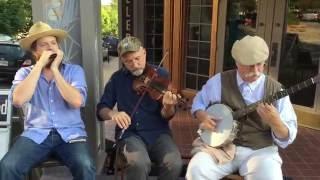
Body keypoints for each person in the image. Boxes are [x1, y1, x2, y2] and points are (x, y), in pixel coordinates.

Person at [186, 35, 297, 180]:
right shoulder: (219, 81)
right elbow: (198, 103)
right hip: (220, 147)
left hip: (260, 151)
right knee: (196, 170)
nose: (257, 71)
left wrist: (275, 122)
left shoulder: (276, 90)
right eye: (251, 65)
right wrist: (203, 116)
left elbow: (288, 136)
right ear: (237, 63)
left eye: (260, 64)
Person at [0, 21, 96, 180]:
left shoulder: (74, 71)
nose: (51, 47)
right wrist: (39, 67)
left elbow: (77, 102)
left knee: (85, 165)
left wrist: (55, 70)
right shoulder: (24, 73)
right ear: (35, 51)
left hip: (70, 134)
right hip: (36, 134)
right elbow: (18, 100)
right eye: (44, 45)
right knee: (8, 166)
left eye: (53, 43)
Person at [97, 36, 183, 180]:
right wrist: (113, 114)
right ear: (122, 61)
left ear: (144, 52)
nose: (135, 64)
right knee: (139, 163)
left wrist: (168, 106)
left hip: (158, 132)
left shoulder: (161, 74)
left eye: (137, 58)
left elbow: (167, 115)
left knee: (175, 163)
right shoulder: (117, 79)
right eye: (128, 61)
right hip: (131, 134)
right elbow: (101, 109)